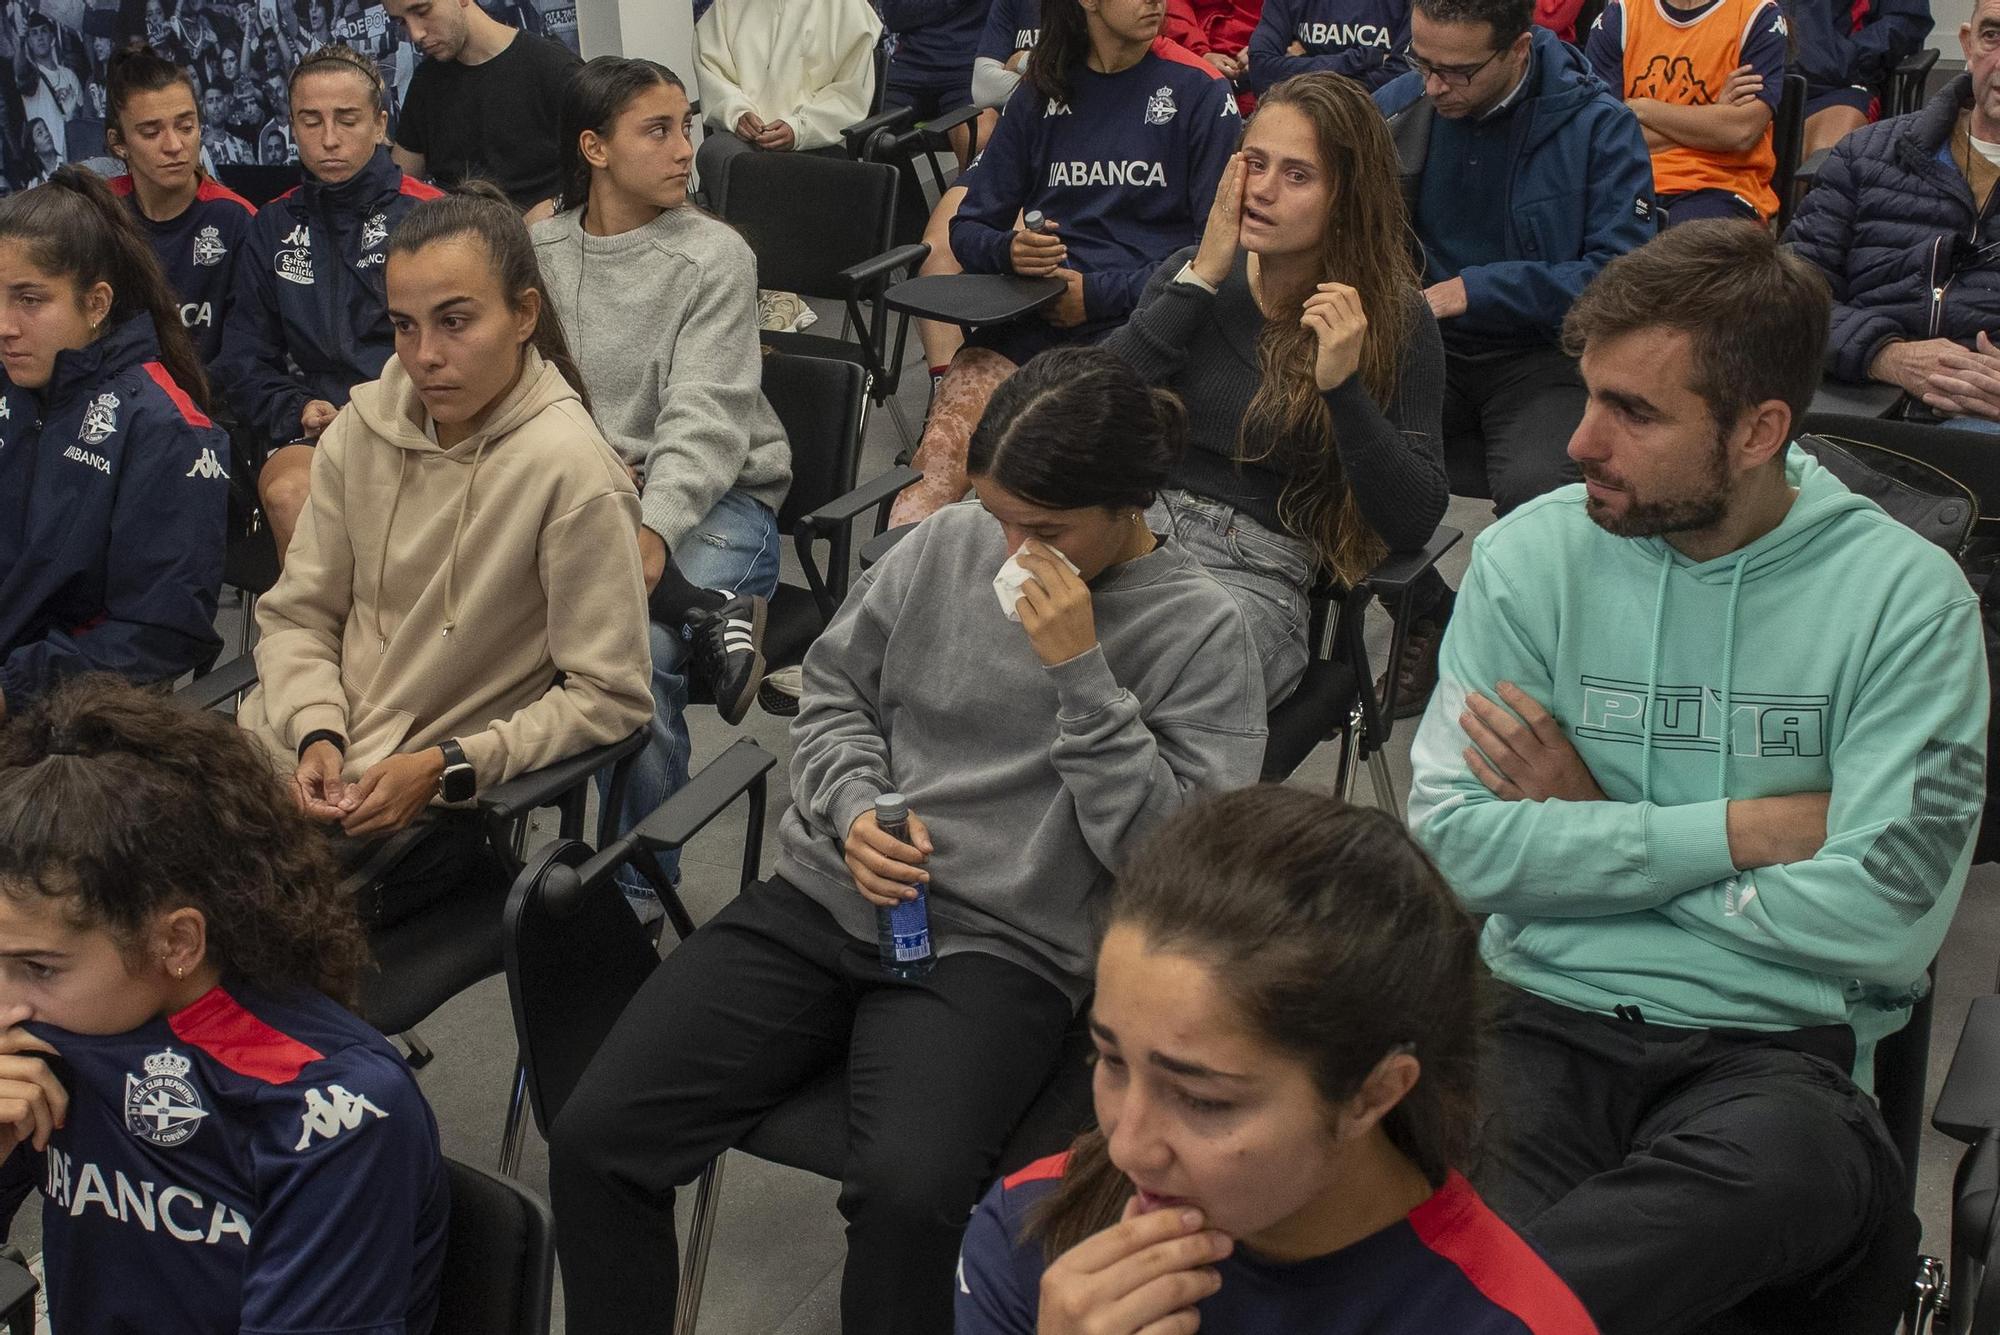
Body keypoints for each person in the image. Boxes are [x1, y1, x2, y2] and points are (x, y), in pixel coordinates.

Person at [548, 345, 1267, 1335]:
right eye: (996, 514)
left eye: (1043, 530)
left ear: (1129, 504)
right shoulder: (951, 543)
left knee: (905, 1195)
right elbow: (835, 698)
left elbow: (1180, 874)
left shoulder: (1199, 631)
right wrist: (852, 813)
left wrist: (1082, 680)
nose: (1010, 551)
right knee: (597, 1134)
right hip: (829, 892)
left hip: (1001, 945)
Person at [1406, 220, 1985, 1332]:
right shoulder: (1532, 558)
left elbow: (1881, 923)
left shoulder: (1904, 603)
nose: (1577, 442)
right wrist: (1741, 831)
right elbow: (1452, 850)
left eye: (1633, 412)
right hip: (1538, 1018)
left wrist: (1588, 823)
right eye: (1586, 396)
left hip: (1778, 1057)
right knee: (1403, 1191)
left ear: (1758, 429)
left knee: (1762, 1183)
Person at [957, 786, 1599, 1335]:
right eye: (1111, 1060)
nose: (1128, 1148)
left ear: (1373, 1095)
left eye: (1203, 1100)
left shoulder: (1512, 1318)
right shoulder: (1033, 1226)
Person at [235, 182, 652, 932]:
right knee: (92, 879)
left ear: (524, 315)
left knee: (195, 939)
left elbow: (611, 697)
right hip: (288, 759)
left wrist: (447, 767)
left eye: (455, 322)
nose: (426, 355)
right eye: (403, 325)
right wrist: (316, 729)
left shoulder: (573, 473)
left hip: (427, 808)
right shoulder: (362, 430)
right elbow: (300, 613)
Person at [0, 677, 448, 1334]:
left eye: (38, 967)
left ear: (177, 940)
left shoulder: (332, 1113)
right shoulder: (47, 1042)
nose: (6, 1003)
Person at [532, 56, 791, 914]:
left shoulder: (715, 255)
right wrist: (606, 479)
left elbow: (706, 426)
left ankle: (636, 904)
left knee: (636, 657)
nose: (687, 149)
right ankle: (704, 615)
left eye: (690, 127)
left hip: (720, 504)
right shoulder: (537, 253)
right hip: (594, 498)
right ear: (593, 148)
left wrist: (648, 532)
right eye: (660, 129)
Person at [1104, 72, 1445, 707]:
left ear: (1347, 196)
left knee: (1144, 691)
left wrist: (1344, 390)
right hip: (1129, 525)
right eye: (1254, 163)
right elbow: (1078, 406)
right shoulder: (1193, 272)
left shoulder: (1393, 317)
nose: (1261, 190)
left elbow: (1412, 519)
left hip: (1255, 568)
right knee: (991, 614)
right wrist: (1200, 281)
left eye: (1297, 175)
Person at [1371, 0, 1652, 716]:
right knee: (1326, 451)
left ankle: (1527, 659)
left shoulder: (1597, 126)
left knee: (1546, 493)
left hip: (1544, 353)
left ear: (1520, 51)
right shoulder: (1400, 108)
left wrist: (1477, 289)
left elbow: (1622, 277)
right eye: (1422, 61)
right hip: (1422, 343)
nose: (1434, 86)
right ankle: (1432, 613)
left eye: (1457, 71)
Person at [889, 0, 1238, 525]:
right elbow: (969, 227)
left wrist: (1094, 294)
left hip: (1142, 331)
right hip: (1033, 321)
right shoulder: (1042, 91)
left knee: (1054, 490)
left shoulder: (1201, 91)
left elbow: (1213, 256)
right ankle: (893, 597)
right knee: (933, 474)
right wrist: (1011, 251)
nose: (1157, 1)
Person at [0, 167, 228, 721]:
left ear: (97, 303)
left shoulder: (166, 426)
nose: (4, 325)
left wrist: (13, 691)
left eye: (29, 300)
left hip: (68, 724)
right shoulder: (11, 382)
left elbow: (159, 632)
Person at [214, 44, 443, 560]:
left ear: (380, 125)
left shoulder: (432, 216)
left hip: (417, 422)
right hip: (313, 425)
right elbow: (244, 358)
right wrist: (298, 408)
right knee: (288, 492)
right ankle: (322, 638)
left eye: (347, 119)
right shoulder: (271, 225)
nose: (329, 139)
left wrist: (379, 412)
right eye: (310, 121)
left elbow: (462, 350)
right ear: (292, 126)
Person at [1787, 0, 2000, 427]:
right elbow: (1786, 296)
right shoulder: (1866, 155)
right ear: (1968, 43)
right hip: (1851, 396)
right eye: (1993, 35)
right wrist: (1884, 355)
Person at [103, 47, 257, 367]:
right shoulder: (96, 213)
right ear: (119, 143)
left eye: (186, 127)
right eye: (151, 132)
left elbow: (250, 356)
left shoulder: (237, 220)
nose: (174, 146)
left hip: (213, 409)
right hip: (116, 404)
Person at [1585, 0, 1786, 224]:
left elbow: (1741, 132)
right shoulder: (1619, 15)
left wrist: (1640, 108)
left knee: (1686, 252)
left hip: (1720, 185)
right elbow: (1605, 136)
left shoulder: (1759, 15)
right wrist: (1713, 119)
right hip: (1629, 179)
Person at [386, 0, 582, 211]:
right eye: (402, 22)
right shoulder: (426, 82)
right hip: (459, 234)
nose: (415, 34)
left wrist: (556, 205)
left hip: (542, 237)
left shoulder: (555, 69)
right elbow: (396, 188)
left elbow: (609, 169)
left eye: (422, 11)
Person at [691, 0, 881, 210]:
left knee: (772, 177)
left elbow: (849, 93)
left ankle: (760, 239)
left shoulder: (846, 7)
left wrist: (798, 128)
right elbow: (714, 71)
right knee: (718, 154)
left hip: (818, 142)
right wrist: (737, 113)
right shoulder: (727, 6)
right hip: (743, 142)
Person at [1792, 0, 1932, 158]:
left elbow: (1907, 21)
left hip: (1840, 88)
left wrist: (1847, 58)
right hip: (1768, 80)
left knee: (1826, 160)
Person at [879, 0, 995, 168]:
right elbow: (894, 16)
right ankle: (906, 194)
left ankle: (964, 192)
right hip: (910, 65)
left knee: (976, 138)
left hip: (969, 66)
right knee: (872, 134)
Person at [1243, 0, 1411, 94]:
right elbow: (1261, 71)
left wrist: (1301, 64)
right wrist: (1365, 58)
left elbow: (1406, 78)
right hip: (1298, 117)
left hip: (1383, 124)